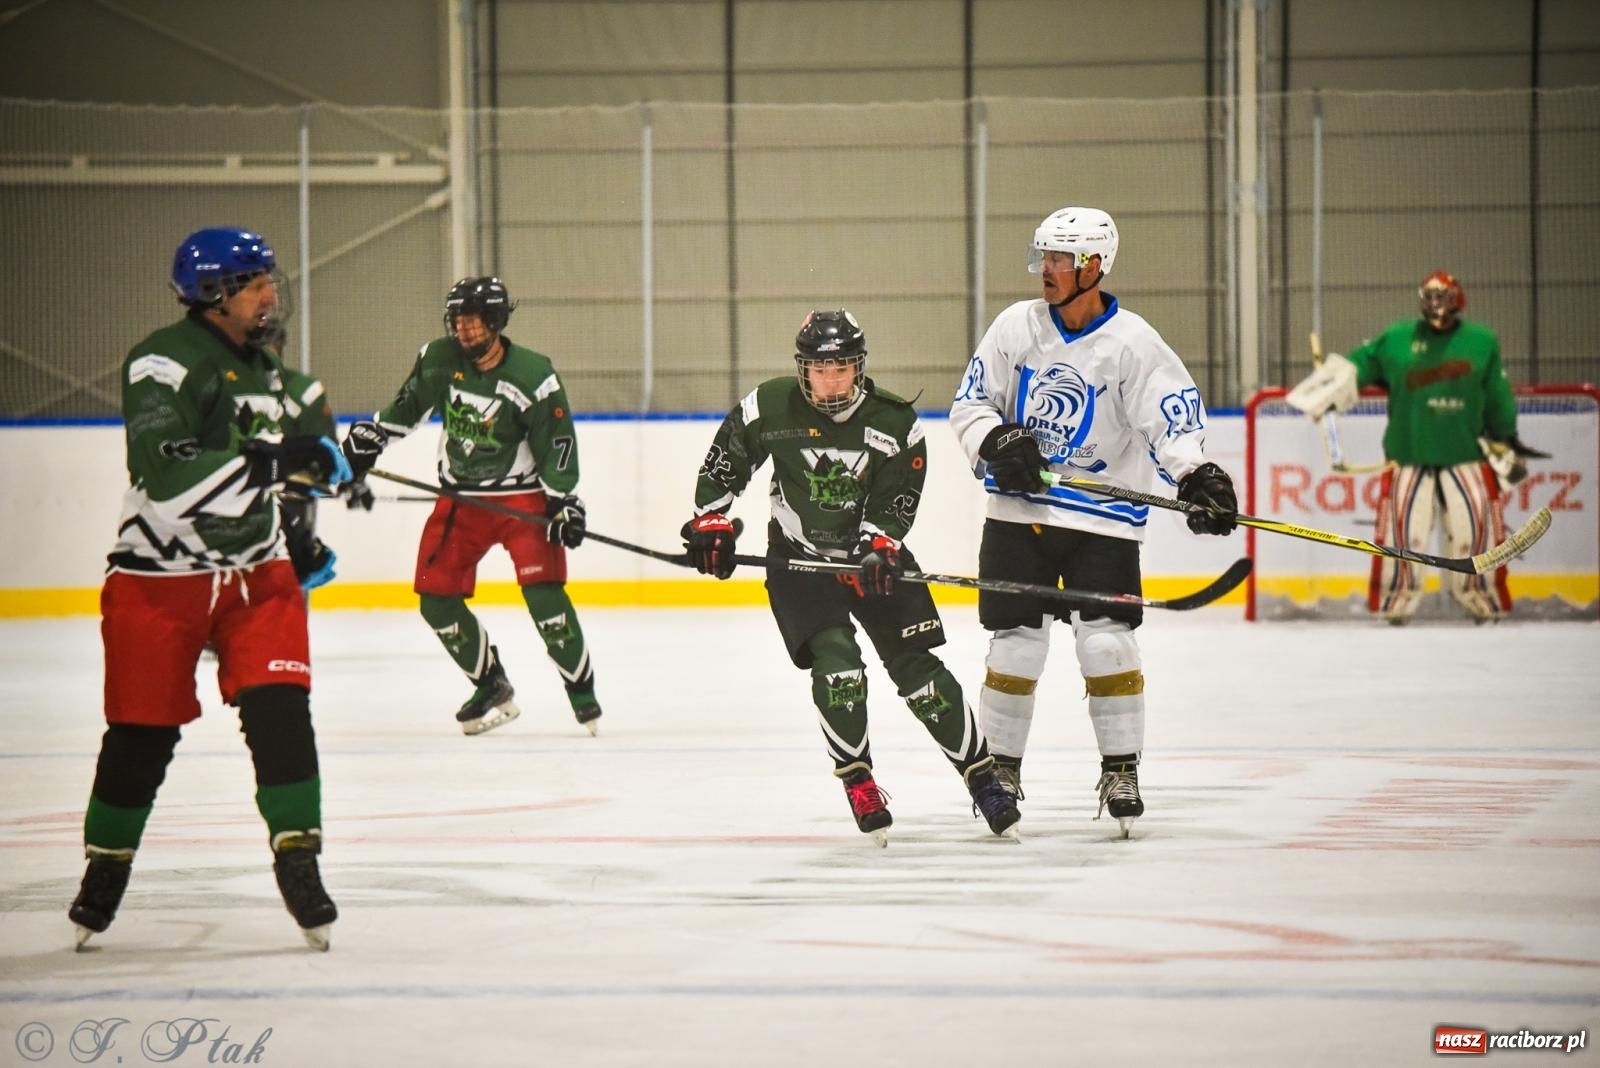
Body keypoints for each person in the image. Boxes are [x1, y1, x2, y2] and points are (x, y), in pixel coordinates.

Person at [69, 227, 349, 951]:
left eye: (269, 281)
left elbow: (286, 468)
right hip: (159, 581)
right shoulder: (160, 362)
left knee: (283, 711)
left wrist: (317, 485)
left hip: (257, 577)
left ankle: (299, 860)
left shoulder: (275, 372)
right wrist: (278, 462)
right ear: (213, 295)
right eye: (254, 284)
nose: (270, 294)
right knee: (141, 735)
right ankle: (106, 867)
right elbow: (170, 478)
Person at [948, 207, 1237, 838]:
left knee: (1106, 641)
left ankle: (1121, 768)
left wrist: (1195, 477)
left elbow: (1169, 420)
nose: (1046, 270)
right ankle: (1000, 770)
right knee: (1016, 645)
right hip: (1017, 515)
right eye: (1044, 257)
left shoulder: (1133, 342)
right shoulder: (1014, 327)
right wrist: (995, 440)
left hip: (1102, 520)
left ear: (1094, 266)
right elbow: (971, 402)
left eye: (1060, 259)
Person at [684, 309, 1021, 845]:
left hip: (872, 559)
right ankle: (858, 780)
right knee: (838, 669)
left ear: (859, 367)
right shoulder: (769, 405)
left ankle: (983, 778)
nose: (832, 381)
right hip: (800, 562)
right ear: (803, 371)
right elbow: (727, 461)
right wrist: (712, 520)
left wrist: (878, 545)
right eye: (821, 370)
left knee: (920, 673)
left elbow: (896, 504)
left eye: (842, 368)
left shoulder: (894, 423)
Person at [337, 276, 601, 736]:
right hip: (460, 499)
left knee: (545, 598)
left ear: (496, 323)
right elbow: (407, 408)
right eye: (457, 322)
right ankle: (490, 683)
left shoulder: (534, 375)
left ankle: (582, 695)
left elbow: (557, 444)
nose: (463, 332)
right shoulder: (439, 359)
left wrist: (564, 502)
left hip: (522, 500)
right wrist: (373, 435)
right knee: (434, 599)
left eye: (474, 324)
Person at [1286, 270, 1546, 624]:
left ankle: (1481, 600)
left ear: (1458, 299)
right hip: (1408, 454)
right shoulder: (1396, 338)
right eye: (1430, 296)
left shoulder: (1482, 341)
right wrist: (1335, 384)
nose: (1436, 304)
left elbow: (1498, 395)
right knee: (1402, 536)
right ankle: (1397, 602)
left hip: (1464, 454)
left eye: (1443, 297)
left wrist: (1505, 434)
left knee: (1476, 533)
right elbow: (1360, 365)